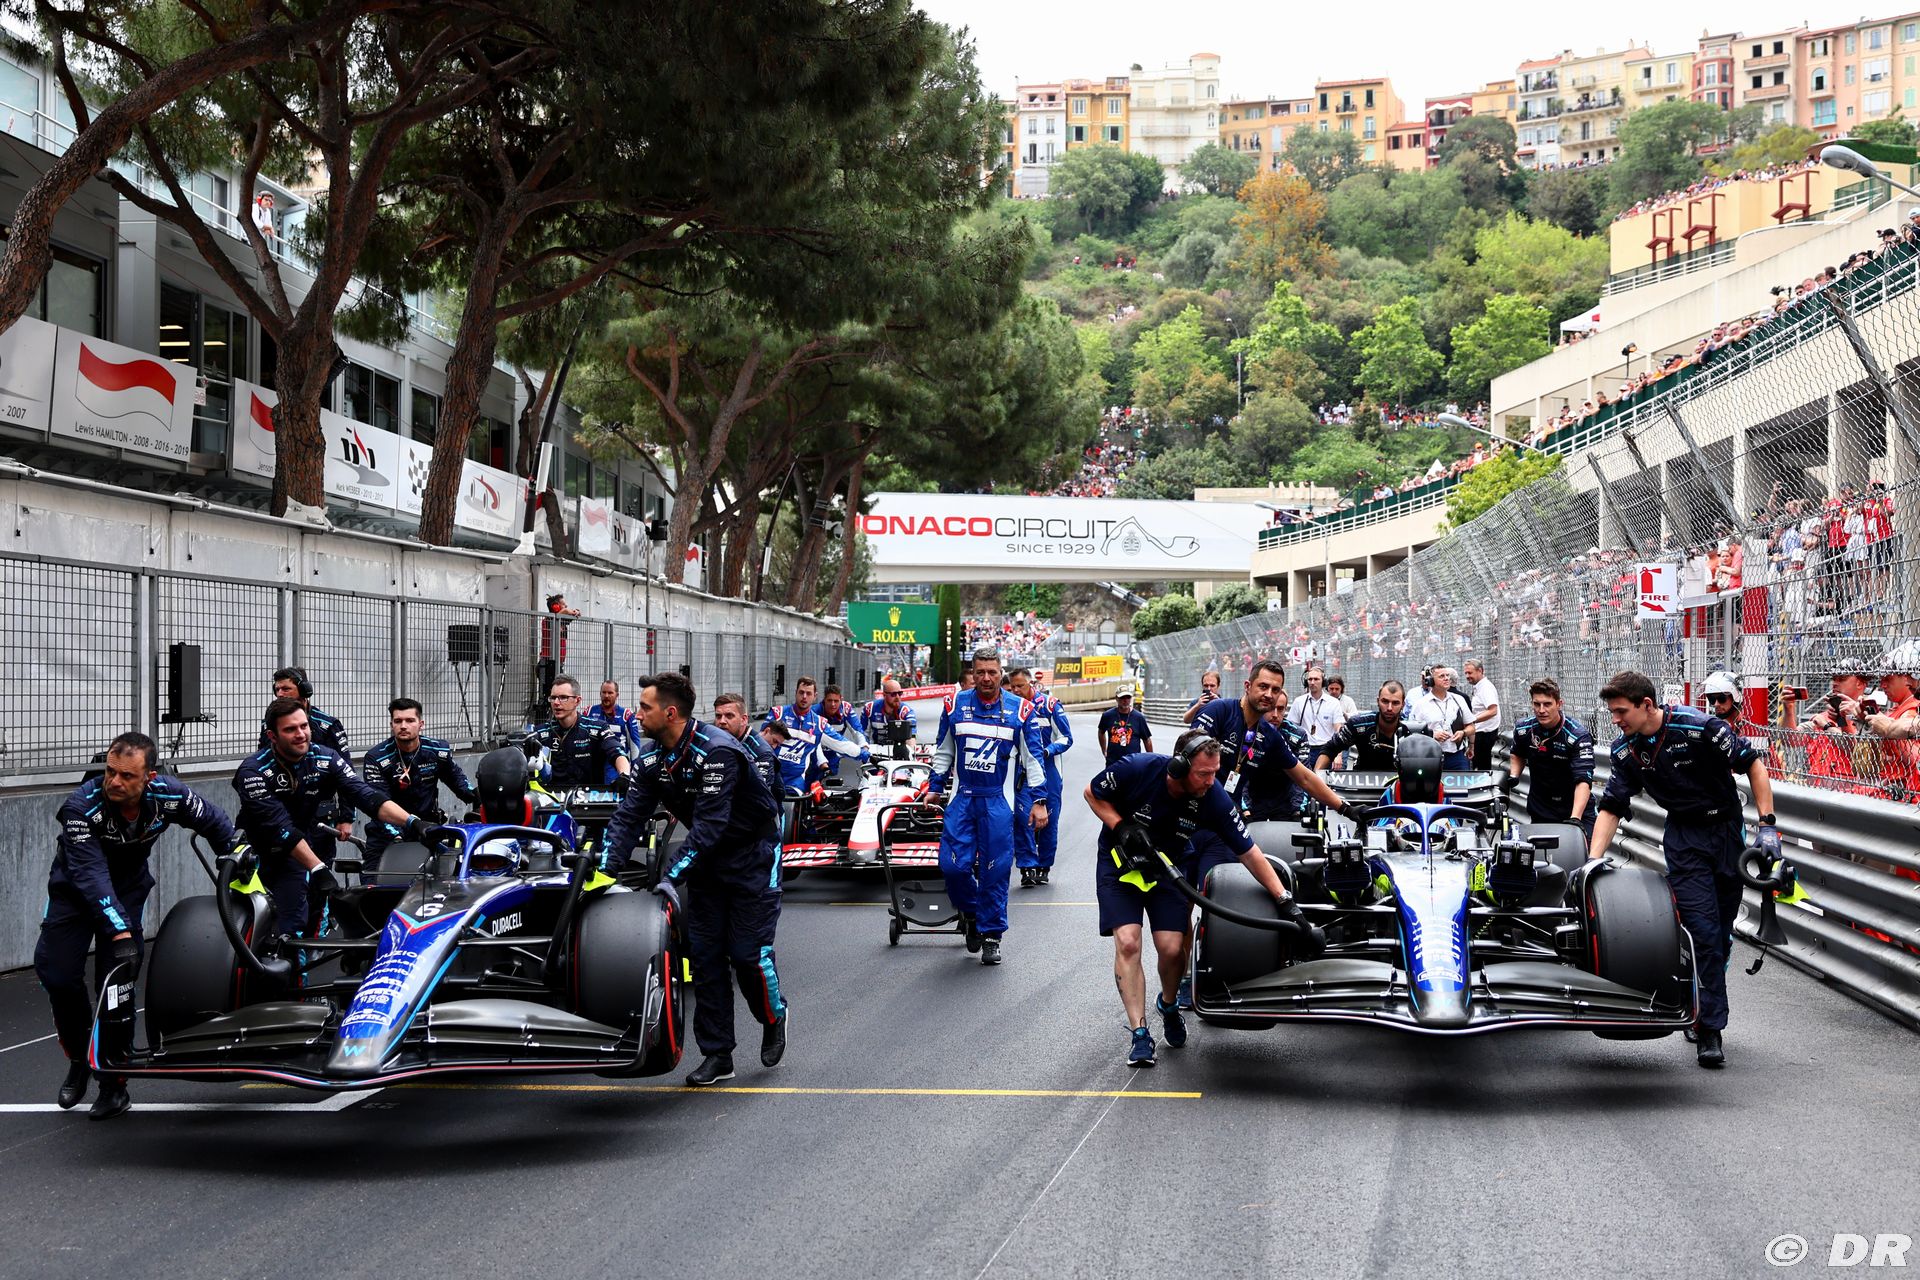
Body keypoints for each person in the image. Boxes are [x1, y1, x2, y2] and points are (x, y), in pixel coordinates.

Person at [1084, 732, 1324, 1067]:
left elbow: (1251, 854)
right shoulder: (1137, 768)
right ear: (1179, 767)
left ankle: (1168, 1005)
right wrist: (1121, 826)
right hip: (1120, 865)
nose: (1211, 781)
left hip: (1168, 869)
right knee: (1128, 942)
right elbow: (1092, 793)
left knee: (1171, 948)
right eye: (1203, 774)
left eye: (1215, 772)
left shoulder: (1214, 798)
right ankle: (1139, 1034)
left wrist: (1286, 901)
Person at [37, 732, 240, 1120]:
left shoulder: (170, 794)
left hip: (128, 891)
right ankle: (80, 1059)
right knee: (57, 977)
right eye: (110, 772)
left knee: (117, 984)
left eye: (126, 775)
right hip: (75, 895)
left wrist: (236, 858)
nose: (114, 781)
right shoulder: (80, 807)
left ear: (149, 777)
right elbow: (91, 876)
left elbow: (216, 823)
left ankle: (114, 1085)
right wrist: (120, 932)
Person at [600, 673, 787, 1087]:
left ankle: (774, 1016)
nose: (637, 714)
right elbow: (628, 818)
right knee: (704, 959)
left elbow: (710, 827)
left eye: (644, 707)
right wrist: (603, 874)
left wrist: (670, 877)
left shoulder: (718, 751)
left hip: (752, 857)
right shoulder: (651, 759)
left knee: (747, 956)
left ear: (670, 713)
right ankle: (718, 1055)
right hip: (707, 863)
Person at [1588, 670, 1776, 1068]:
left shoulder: (1701, 727)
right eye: (1612, 712)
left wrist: (1768, 826)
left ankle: (1701, 1001)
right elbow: (1612, 807)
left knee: (1720, 932)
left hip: (1727, 833)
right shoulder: (1625, 750)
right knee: (1702, 931)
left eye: (1621, 711)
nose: (1615, 720)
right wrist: (1591, 861)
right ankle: (1710, 1027)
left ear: (1646, 705)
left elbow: (1753, 764)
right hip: (1684, 839)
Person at [236, 698, 428, 940]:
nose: (301, 734)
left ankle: (300, 963)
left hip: (301, 849)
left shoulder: (325, 757)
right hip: (257, 858)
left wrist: (414, 822)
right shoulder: (253, 771)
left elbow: (365, 795)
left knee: (307, 922)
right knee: (269, 929)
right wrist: (317, 867)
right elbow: (279, 827)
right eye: (290, 729)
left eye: (304, 726)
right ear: (272, 736)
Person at [928, 647, 1048, 965]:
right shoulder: (954, 705)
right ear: (973, 672)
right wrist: (934, 787)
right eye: (980, 672)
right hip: (962, 799)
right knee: (952, 867)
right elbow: (944, 751)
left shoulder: (1021, 710)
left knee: (995, 872)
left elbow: (1033, 759)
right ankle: (972, 913)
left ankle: (991, 936)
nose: (985, 678)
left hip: (998, 802)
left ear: (1000, 673)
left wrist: (1039, 801)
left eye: (992, 672)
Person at [359, 698, 476, 874]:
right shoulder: (376, 757)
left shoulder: (437, 750)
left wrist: (478, 795)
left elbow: (459, 781)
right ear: (391, 725)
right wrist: (398, 835)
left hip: (427, 832)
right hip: (387, 834)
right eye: (398, 721)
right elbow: (379, 803)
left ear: (421, 724)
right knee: (375, 886)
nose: (403, 726)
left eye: (410, 720)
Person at [258, 666, 352, 857]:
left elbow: (346, 775)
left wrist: (347, 817)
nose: (280, 694)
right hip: (283, 812)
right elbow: (261, 763)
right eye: (277, 689)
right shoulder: (270, 725)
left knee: (319, 868)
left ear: (304, 690)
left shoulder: (327, 725)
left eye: (286, 689)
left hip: (319, 817)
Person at [1501, 678, 1595, 839]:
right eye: (1536, 704)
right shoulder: (1524, 729)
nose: (1541, 710)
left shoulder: (1577, 735)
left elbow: (1583, 780)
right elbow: (1517, 753)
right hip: (1541, 809)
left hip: (1575, 809)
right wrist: (1514, 775)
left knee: (1581, 854)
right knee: (1540, 855)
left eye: (1547, 704)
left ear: (1559, 704)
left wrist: (1575, 818)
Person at [1007, 667, 1073, 887]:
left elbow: (1066, 738)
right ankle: (1027, 866)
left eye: (1020, 686)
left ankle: (1044, 865)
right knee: (1022, 818)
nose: (1016, 690)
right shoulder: (1009, 707)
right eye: (1012, 687)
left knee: (1048, 820)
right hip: (1020, 771)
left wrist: (1047, 751)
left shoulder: (1050, 705)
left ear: (1031, 684)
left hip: (1049, 770)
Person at [524, 674, 632, 789]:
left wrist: (624, 775)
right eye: (553, 697)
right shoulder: (540, 732)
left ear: (577, 700)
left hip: (591, 796)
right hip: (550, 798)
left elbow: (617, 752)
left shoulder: (597, 728)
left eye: (563, 697)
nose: (556, 702)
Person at [764, 676, 861, 794]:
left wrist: (866, 754)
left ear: (815, 696)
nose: (804, 697)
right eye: (801, 692)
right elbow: (760, 741)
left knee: (795, 802)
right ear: (796, 693)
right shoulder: (778, 713)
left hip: (794, 781)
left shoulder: (819, 723)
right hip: (770, 775)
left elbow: (841, 743)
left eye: (808, 693)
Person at [1314, 680, 1423, 771]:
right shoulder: (1358, 724)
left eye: (1395, 703)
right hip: (1363, 785)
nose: (1389, 708)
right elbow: (1329, 749)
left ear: (1403, 705)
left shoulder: (1411, 730)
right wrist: (1316, 778)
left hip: (1399, 785)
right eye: (1385, 701)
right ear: (1378, 701)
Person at [1405, 666, 1473, 769]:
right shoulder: (1420, 704)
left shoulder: (1459, 700)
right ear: (1431, 681)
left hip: (1457, 755)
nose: (1446, 678)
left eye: (1447, 675)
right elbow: (1411, 733)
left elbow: (1471, 727)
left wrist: (1463, 733)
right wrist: (1432, 735)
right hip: (1429, 757)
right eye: (1441, 676)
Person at [714, 691, 781, 792]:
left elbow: (759, 795)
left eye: (729, 716)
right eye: (718, 716)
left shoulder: (761, 752)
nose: (722, 721)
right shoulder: (715, 740)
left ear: (744, 719)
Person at [581, 680, 640, 783]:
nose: (606, 696)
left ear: (617, 695)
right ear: (600, 693)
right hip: (593, 765)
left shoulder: (626, 715)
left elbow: (635, 745)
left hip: (616, 765)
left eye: (610, 693)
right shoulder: (589, 712)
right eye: (604, 692)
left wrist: (635, 770)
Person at [1286, 666, 1344, 756]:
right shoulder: (1299, 702)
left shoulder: (1333, 703)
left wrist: (1338, 754)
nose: (1312, 682)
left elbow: (1338, 729)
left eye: (1316, 679)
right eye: (1310, 679)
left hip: (1326, 749)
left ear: (1323, 682)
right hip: (1304, 748)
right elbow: (1291, 726)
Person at [816, 684, 868, 779]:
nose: (833, 704)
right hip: (815, 755)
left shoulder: (845, 709)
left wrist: (864, 747)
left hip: (834, 755)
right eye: (829, 700)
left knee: (831, 781)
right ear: (824, 700)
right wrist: (822, 762)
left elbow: (857, 730)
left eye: (836, 701)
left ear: (841, 699)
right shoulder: (814, 711)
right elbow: (813, 741)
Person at [859, 677, 919, 755]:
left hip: (899, 751)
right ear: (884, 695)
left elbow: (911, 737)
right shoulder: (870, 708)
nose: (897, 697)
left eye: (900, 693)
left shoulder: (906, 711)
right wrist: (865, 750)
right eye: (893, 694)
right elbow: (863, 734)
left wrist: (911, 753)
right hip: (876, 751)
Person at [1462, 659, 1502, 771]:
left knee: (1482, 769)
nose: (1467, 676)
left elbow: (1493, 711)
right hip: (1481, 733)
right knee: (1479, 767)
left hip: (1485, 734)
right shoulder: (1480, 687)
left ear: (1480, 671)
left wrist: (1472, 720)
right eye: (1465, 673)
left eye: (1470, 673)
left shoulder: (1485, 688)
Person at [1098, 689, 1152, 764]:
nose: (1125, 700)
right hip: (1113, 762)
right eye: (1122, 697)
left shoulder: (1138, 717)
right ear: (1116, 698)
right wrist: (1104, 750)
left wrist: (1151, 760)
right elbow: (1101, 732)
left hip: (1133, 762)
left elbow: (1147, 739)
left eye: (1128, 697)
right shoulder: (1107, 715)